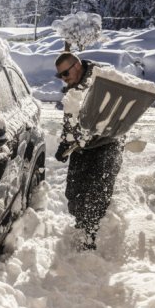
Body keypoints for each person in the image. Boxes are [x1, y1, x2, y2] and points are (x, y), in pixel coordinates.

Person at [54, 52, 124, 250]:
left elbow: (120, 113)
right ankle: (81, 225)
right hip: (82, 146)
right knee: (74, 192)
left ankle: (91, 238)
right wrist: (64, 143)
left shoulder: (103, 79)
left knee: (95, 195)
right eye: (60, 76)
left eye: (65, 74)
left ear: (76, 66)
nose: (64, 79)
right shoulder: (72, 88)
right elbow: (70, 117)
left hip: (107, 145)